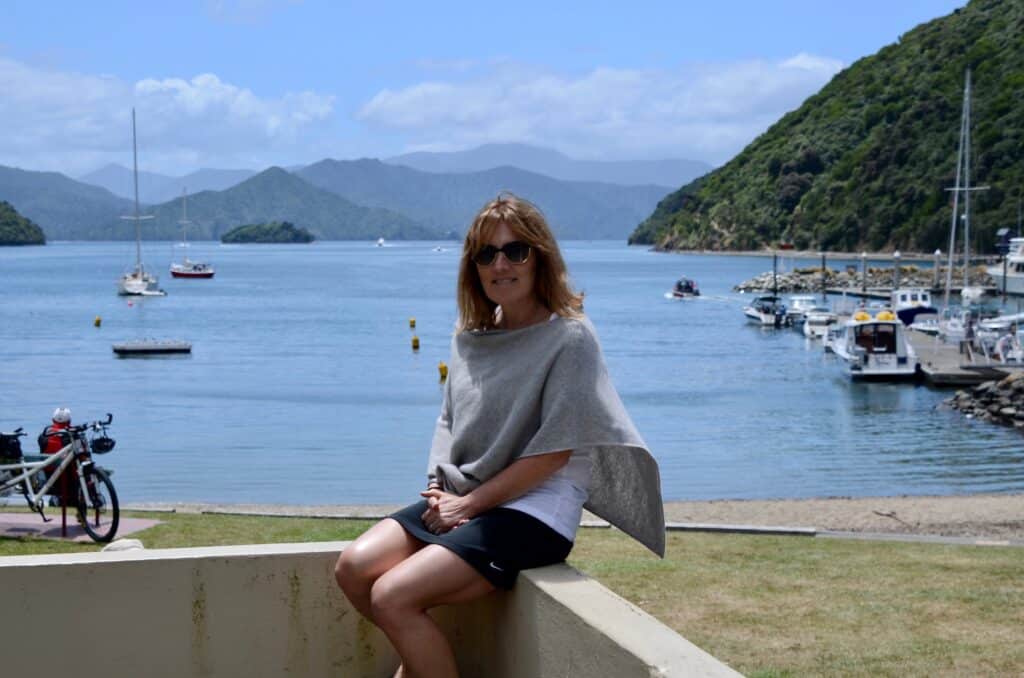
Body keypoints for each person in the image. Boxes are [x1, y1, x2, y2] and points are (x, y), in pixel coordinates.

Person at [334, 193, 664, 678]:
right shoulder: (471, 334)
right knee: (354, 568)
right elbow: (448, 420)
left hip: (534, 511)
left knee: (392, 596)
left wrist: (466, 508)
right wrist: (438, 488)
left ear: (540, 257)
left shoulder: (571, 338)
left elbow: (555, 453)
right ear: (474, 266)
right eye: (487, 254)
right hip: (466, 494)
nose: (501, 264)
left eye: (515, 251)